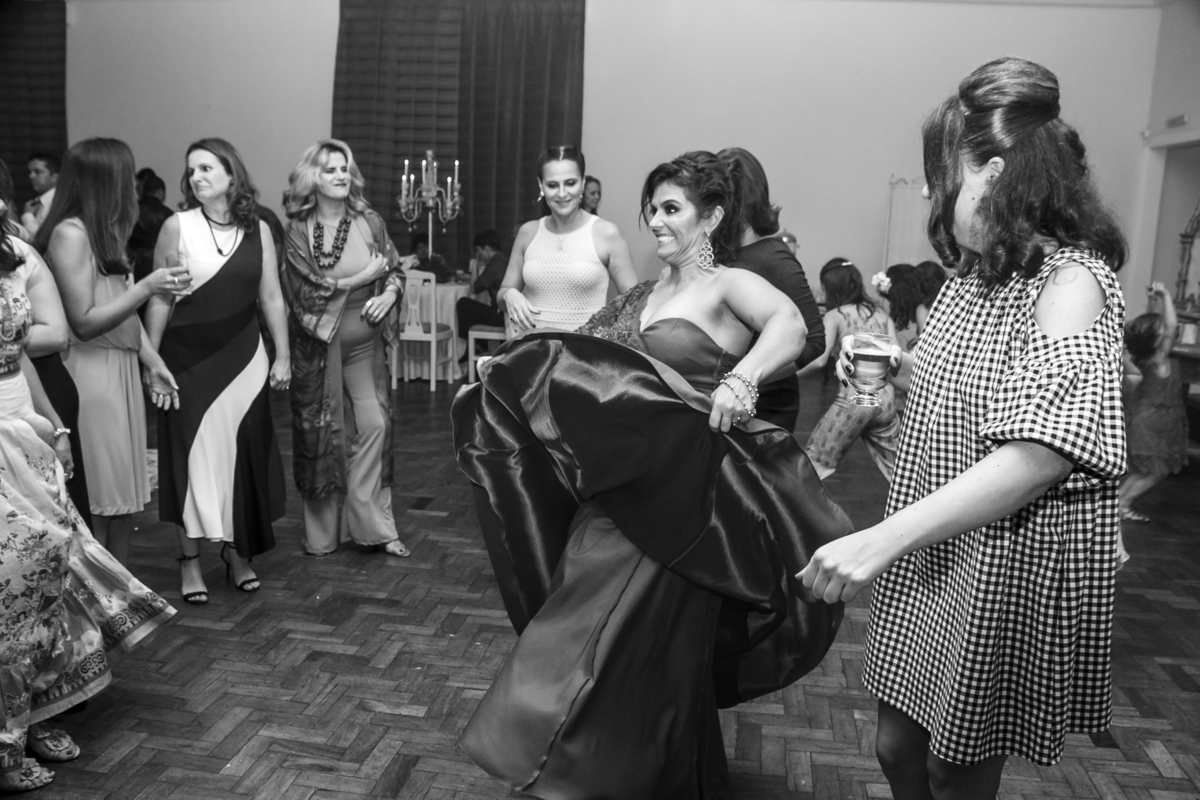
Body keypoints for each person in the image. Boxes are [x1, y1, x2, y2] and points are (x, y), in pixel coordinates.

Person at [454, 151, 851, 798]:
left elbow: (793, 326)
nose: (656, 220)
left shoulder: (727, 284)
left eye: (672, 209)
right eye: (652, 208)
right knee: (580, 628)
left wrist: (743, 379)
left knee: (648, 655)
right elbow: (575, 356)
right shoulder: (644, 294)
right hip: (622, 492)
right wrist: (502, 371)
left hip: (686, 501)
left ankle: (624, 776)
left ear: (712, 216)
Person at [800, 57, 1127, 798]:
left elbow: (1037, 454)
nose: (927, 190)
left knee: (954, 770)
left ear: (996, 172)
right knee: (892, 746)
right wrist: (893, 372)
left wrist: (877, 539)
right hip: (933, 548)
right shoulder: (977, 276)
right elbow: (956, 386)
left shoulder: (1070, 282)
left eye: (939, 172)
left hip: (994, 557)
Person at [0, 166, 175, 793]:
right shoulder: (58, 239)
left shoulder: (14, 253)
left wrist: (55, 425)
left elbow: (25, 350)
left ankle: (36, 713)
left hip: (23, 425)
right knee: (10, 588)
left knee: (55, 575)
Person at [144, 137, 289, 603]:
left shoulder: (259, 229)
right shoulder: (176, 226)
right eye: (191, 170)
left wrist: (283, 354)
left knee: (239, 455)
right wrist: (153, 360)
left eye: (207, 167)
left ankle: (236, 550)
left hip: (246, 360)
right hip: (188, 363)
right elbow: (160, 298)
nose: (197, 176)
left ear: (232, 175)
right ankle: (189, 561)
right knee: (190, 456)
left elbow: (270, 297)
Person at [37, 138, 188, 566]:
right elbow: (83, 320)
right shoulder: (70, 234)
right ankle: (94, 605)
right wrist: (148, 286)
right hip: (91, 376)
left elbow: (124, 317)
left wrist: (153, 363)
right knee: (99, 501)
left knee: (122, 504)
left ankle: (118, 599)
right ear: (108, 180)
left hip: (119, 373)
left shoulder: (105, 234)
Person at [280, 138, 411, 559]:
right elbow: (305, 291)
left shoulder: (368, 221)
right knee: (323, 435)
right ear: (311, 178)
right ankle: (323, 535)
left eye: (343, 168)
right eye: (329, 169)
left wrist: (389, 292)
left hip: (363, 346)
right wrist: (361, 278)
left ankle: (371, 524)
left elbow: (392, 270)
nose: (339, 176)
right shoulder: (298, 231)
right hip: (318, 352)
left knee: (375, 425)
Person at [719, 147, 825, 430]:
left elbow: (814, 341)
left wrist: (748, 379)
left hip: (766, 406)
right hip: (722, 403)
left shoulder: (772, 255)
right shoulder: (718, 256)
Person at [498, 146, 637, 333]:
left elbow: (635, 305)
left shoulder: (607, 234)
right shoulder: (528, 233)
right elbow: (501, 297)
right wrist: (509, 294)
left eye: (570, 183)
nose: (562, 194)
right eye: (552, 185)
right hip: (532, 353)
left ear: (582, 183)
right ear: (541, 185)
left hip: (584, 357)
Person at [797, 258, 900, 480]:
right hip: (886, 400)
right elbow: (896, 358)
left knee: (813, 464)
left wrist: (788, 376)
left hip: (855, 400)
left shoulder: (836, 315)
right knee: (898, 472)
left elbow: (818, 360)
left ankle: (790, 512)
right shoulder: (882, 314)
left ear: (831, 288)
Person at [1120, 282, 1187, 526]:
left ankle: (1118, 507)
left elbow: (1152, 326)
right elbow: (1170, 325)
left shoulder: (1143, 353)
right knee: (1157, 471)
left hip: (1150, 420)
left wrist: (1154, 300)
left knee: (1144, 470)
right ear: (1157, 338)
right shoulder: (1159, 357)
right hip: (1154, 423)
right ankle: (1122, 506)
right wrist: (1166, 294)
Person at [454, 229, 507, 355]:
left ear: (487, 249)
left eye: (478, 250)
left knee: (463, 304)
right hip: (506, 314)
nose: (478, 254)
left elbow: (475, 288)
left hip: (501, 316)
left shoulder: (495, 263)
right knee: (475, 312)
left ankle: (474, 345)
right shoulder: (503, 260)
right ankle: (476, 345)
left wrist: (475, 266)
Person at [129, 173, 173, 284]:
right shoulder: (169, 215)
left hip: (134, 265)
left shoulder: (130, 211)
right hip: (159, 265)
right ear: (160, 192)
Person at [21, 153, 59, 238]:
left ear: (55, 177)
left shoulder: (57, 202)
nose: (31, 176)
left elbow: (41, 239)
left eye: (38, 172)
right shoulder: (37, 200)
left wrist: (28, 215)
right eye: (30, 172)